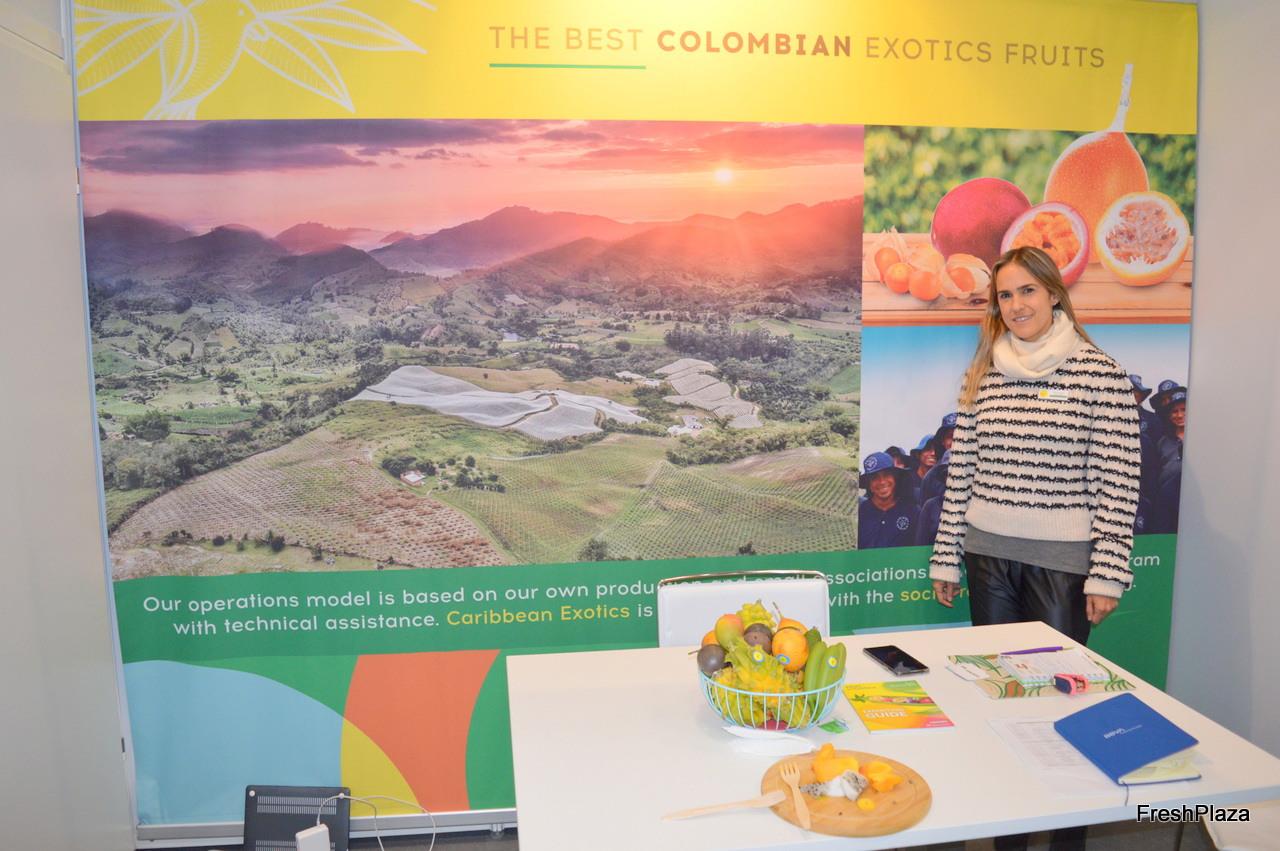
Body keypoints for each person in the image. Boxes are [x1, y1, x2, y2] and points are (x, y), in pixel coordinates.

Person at [927, 246, 1141, 851]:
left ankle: (1068, 841)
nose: (1016, 305)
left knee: (1062, 711)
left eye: (1027, 290)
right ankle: (1009, 840)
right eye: (1005, 295)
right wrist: (947, 556)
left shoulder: (1099, 374)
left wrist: (1107, 572)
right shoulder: (983, 373)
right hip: (987, 559)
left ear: (1053, 294)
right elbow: (961, 473)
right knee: (1002, 706)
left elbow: (1120, 481)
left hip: (1062, 567)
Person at [858, 451, 920, 549]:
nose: (882, 482)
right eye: (875, 477)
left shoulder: (913, 512)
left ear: (895, 477)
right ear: (868, 483)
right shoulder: (859, 513)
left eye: (887, 475)